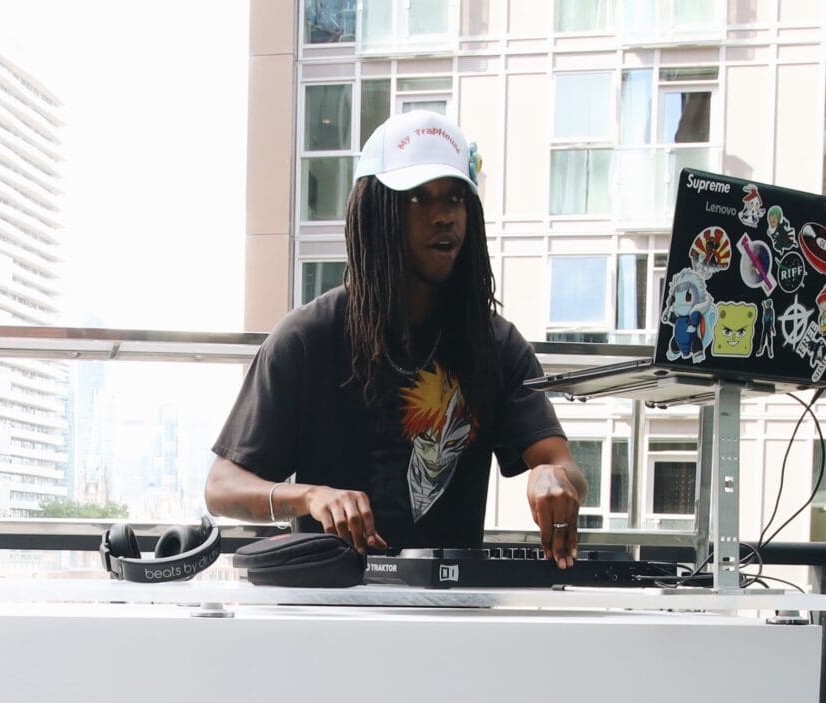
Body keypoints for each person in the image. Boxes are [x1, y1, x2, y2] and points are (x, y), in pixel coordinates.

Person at [206, 111, 587, 567]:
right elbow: (221, 487)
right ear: (376, 213)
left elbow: (563, 465)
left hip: (451, 601)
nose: (444, 216)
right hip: (327, 598)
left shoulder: (496, 345)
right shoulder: (307, 338)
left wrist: (552, 476)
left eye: (455, 198)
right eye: (418, 198)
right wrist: (309, 497)